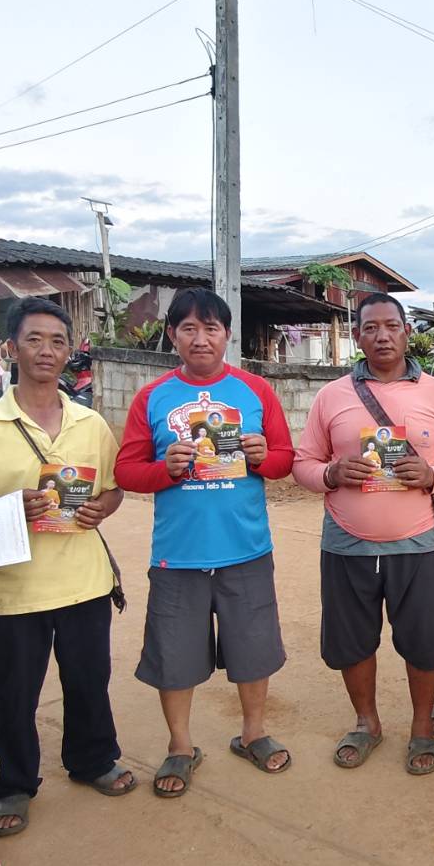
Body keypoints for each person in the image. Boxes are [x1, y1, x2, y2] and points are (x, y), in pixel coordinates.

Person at [0, 298, 134, 837]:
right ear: (11, 349)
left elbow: (112, 488)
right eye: (34, 339)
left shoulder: (89, 422)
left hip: (83, 580)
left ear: (69, 352)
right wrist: (12, 506)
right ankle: (14, 784)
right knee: (15, 692)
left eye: (57, 341)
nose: (47, 351)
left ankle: (93, 760)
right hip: (16, 587)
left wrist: (101, 507)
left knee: (89, 679)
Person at [114, 288, 295, 796]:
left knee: (254, 649)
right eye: (188, 328)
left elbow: (284, 460)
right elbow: (126, 470)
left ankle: (253, 732)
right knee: (175, 656)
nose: (200, 337)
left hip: (246, 547)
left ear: (227, 335)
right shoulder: (152, 398)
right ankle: (180, 746)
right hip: (179, 554)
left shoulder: (256, 390)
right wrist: (164, 470)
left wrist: (262, 456)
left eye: (211, 328)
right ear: (172, 335)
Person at [292, 293, 434, 775]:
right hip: (346, 542)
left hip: (417, 542)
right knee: (352, 640)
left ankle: (420, 729)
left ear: (406, 332)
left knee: (422, 642)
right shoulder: (331, 396)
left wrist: (432, 476)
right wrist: (331, 473)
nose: (382, 335)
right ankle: (366, 722)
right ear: (357, 336)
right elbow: (302, 464)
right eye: (370, 328)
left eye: (391, 326)